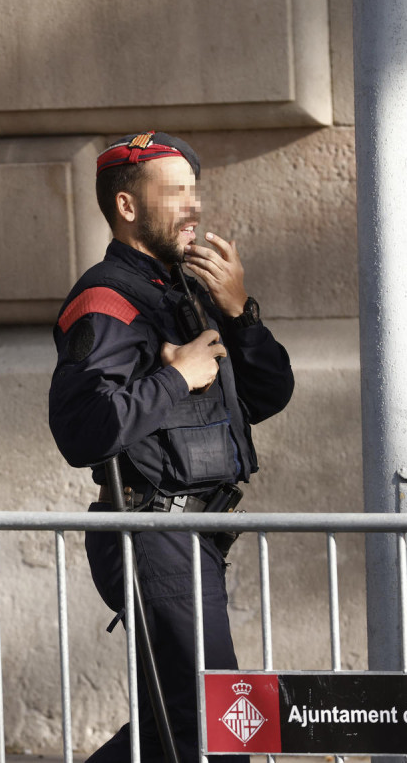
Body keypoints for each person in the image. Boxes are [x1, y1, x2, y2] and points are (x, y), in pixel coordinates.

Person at [47, 132, 294, 763]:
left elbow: (266, 395)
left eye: (195, 190)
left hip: (192, 536)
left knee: (173, 730)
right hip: (150, 531)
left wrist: (240, 313)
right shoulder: (104, 300)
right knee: (222, 726)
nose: (193, 206)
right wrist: (175, 377)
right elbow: (81, 429)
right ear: (127, 206)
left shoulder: (186, 291)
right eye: (175, 192)